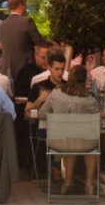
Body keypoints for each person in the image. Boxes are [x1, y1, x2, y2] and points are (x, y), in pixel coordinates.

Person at [39, 64, 101, 195]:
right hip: (86, 143)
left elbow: (42, 114)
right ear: (85, 80)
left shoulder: (56, 94)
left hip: (59, 142)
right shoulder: (90, 99)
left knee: (70, 137)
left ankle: (68, 182)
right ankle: (89, 183)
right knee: (91, 143)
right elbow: (98, 121)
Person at [0, 0, 48, 80]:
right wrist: (53, 44)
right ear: (21, 5)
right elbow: (39, 41)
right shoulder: (27, 22)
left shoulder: (1, 26)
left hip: (5, 69)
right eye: (25, 4)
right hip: (24, 69)